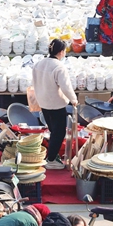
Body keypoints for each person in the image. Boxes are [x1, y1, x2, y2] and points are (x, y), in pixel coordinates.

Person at [32, 38, 78, 169]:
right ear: (61, 52)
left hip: (43, 102)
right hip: (56, 104)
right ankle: (51, 159)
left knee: (53, 130)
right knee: (59, 133)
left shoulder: (39, 64)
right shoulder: (59, 67)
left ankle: (52, 155)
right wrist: (73, 99)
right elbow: (66, 87)